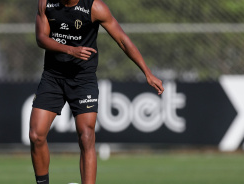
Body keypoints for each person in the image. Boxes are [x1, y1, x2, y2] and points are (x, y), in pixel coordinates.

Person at [29, 0, 164, 184]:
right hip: (53, 78)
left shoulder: (95, 7)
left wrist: (147, 73)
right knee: (36, 135)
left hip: (83, 80)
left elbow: (123, 40)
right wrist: (70, 50)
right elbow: (40, 38)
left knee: (86, 136)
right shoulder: (46, 3)